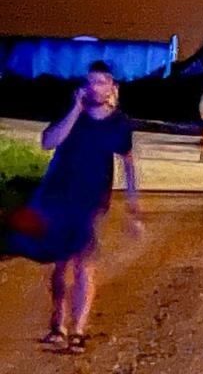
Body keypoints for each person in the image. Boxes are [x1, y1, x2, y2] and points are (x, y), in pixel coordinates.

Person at [28, 62, 141, 355]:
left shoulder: (119, 123)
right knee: (60, 265)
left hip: (93, 202)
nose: (95, 88)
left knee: (84, 263)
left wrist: (133, 207)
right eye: (90, 82)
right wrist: (76, 109)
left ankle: (78, 329)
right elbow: (48, 142)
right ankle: (58, 323)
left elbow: (128, 164)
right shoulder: (70, 112)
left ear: (112, 87)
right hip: (58, 198)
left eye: (102, 82)